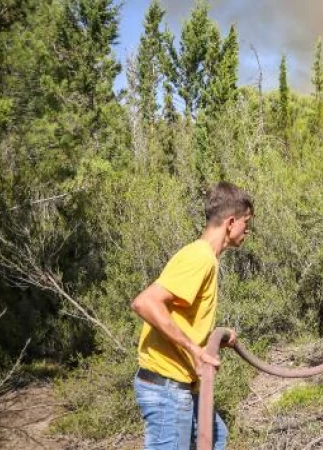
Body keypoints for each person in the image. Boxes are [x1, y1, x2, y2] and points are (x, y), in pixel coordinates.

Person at [130, 181, 253, 450]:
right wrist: (193, 349)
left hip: (180, 385)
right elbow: (145, 303)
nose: (248, 231)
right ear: (231, 222)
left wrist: (214, 338)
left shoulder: (206, 258)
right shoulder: (200, 257)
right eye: (247, 223)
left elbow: (182, 317)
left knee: (215, 437)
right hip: (167, 388)